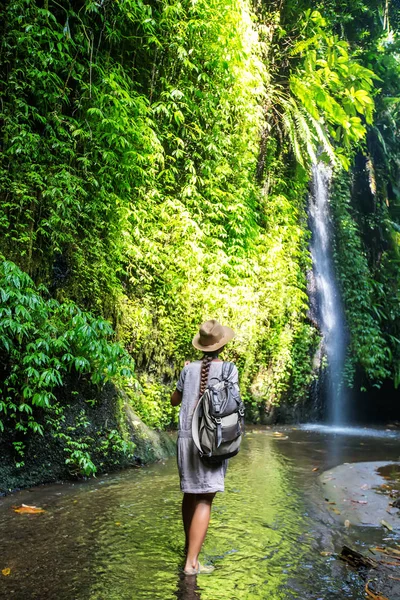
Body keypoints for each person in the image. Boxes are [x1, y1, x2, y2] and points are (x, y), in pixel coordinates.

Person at [170, 319, 239, 575]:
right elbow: (233, 404)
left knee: (190, 493)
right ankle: (192, 564)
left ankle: (190, 550)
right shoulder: (230, 369)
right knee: (205, 499)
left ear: (201, 346)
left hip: (187, 440)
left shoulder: (188, 371)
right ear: (222, 345)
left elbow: (174, 400)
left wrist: (185, 371)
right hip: (212, 441)